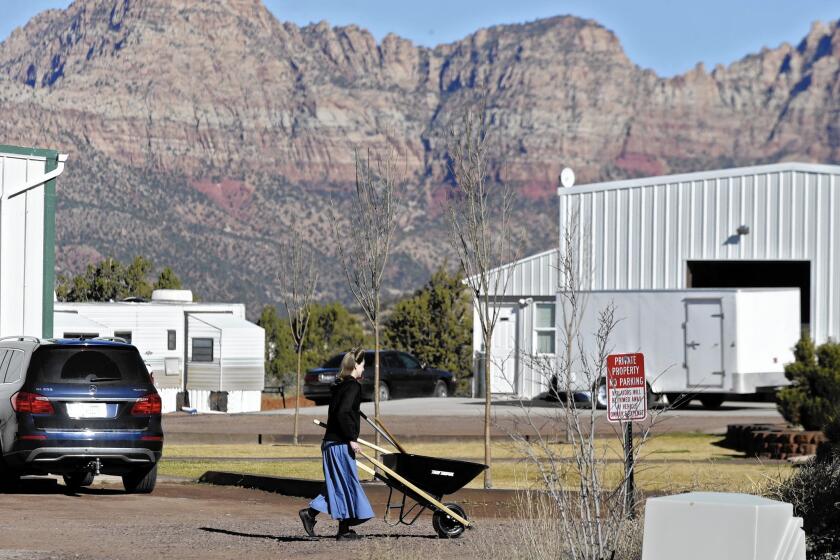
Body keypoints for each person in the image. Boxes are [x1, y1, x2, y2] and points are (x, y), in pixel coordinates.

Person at [299, 350, 374, 540]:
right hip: (340, 443)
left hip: (331, 442)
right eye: (363, 364)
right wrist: (351, 438)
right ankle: (319, 518)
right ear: (355, 365)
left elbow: (340, 413)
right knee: (347, 483)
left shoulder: (340, 385)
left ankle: (339, 527)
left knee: (340, 484)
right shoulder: (353, 387)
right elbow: (342, 413)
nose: (364, 367)